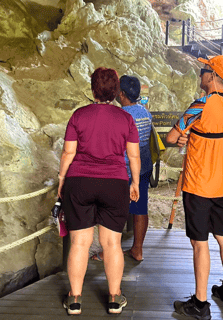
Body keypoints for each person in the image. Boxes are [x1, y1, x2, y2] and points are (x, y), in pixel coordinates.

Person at [57, 67, 141, 315]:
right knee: (112, 243)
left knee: (80, 243)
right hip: (114, 183)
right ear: (116, 92)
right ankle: (115, 298)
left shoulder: (79, 115)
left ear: (93, 89)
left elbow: (68, 153)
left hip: (79, 181)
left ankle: (74, 299)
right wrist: (134, 183)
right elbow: (133, 155)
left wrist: (62, 179)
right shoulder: (126, 119)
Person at [166, 55, 223, 320]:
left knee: (200, 244)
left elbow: (172, 137)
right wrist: (193, 134)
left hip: (198, 183)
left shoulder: (202, 104)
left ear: (211, 76)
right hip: (221, 185)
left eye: (202, 71)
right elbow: (218, 136)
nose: (200, 76)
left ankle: (200, 303)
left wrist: (185, 136)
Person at [90, 75, 152, 262]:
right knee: (140, 208)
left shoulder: (121, 116)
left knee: (114, 212)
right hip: (143, 168)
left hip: (122, 170)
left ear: (122, 94)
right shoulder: (145, 113)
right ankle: (137, 250)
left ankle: (108, 252)